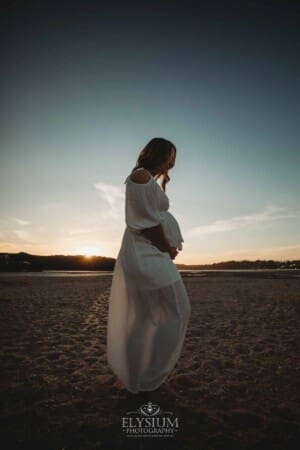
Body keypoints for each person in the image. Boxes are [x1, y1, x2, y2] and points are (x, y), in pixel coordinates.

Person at [106, 137, 191, 394]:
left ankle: (135, 379)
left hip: (145, 252)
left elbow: (152, 218)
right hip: (148, 254)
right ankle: (150, 377)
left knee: (142, 320)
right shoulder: (142, 177)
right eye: (169, 156)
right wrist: (167, 248)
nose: (171, 163)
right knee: (178, 311)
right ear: (157, 153)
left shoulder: (144, 177)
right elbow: (148, 224)